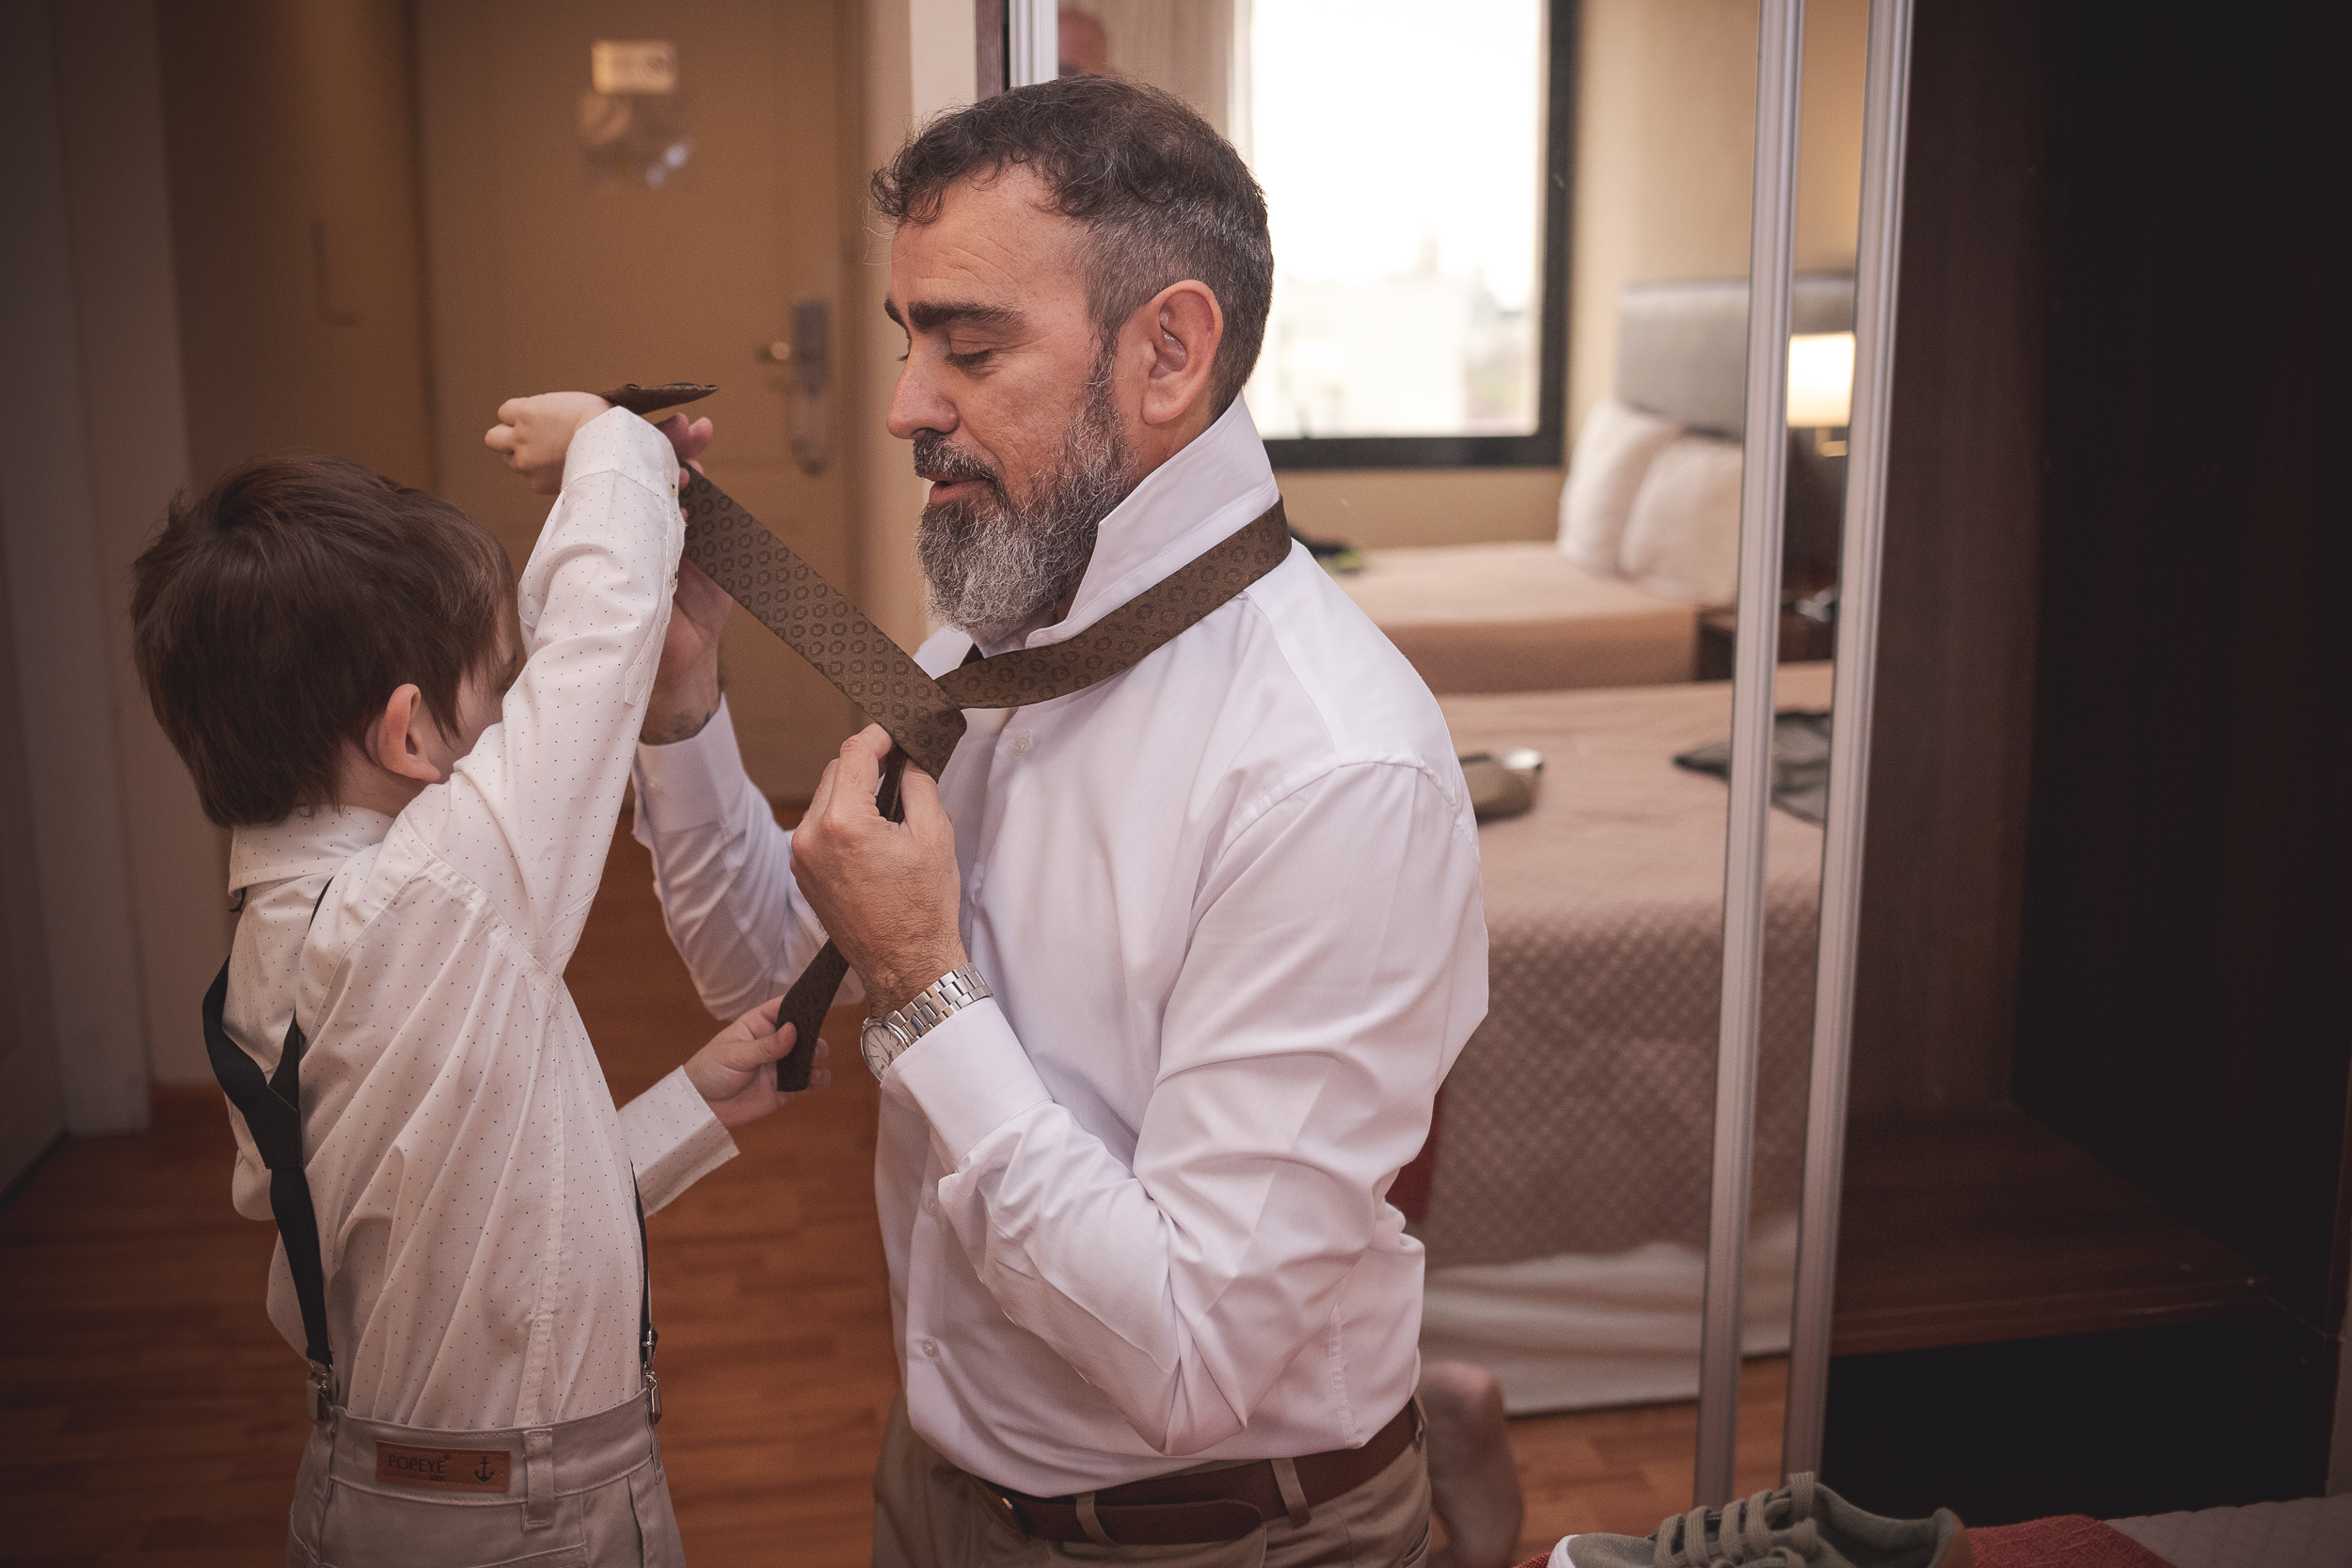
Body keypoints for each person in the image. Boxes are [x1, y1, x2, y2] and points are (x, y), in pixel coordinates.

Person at [628, 76, 1488, 1564]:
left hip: (1213, 1534)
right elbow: (775, 977)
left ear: (1169, 353)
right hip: (938, 1484)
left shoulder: (1333, 774)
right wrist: (682, 704)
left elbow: (1190, 1358)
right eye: (909, 341)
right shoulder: (995, 644)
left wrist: (927, 983)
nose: (907, 405)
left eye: (969, 347)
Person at [130, 396, 823, 1566]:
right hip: (533, 1520)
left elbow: (450, 1226)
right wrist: (615, 434)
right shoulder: (435, 892)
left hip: (357, 1490)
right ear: (410, 737)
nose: (515, 718)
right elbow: (597, 644)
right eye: (499, 688)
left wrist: (685, 1108)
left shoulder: (279, 931)